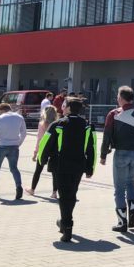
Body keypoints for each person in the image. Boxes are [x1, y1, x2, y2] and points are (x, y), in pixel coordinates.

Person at [37, 97, 96, 242]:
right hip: (78, 166)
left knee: (64, 196)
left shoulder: (58, 124)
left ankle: (67, 227)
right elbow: (92, 148)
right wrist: (90, 168)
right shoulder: (87, 125)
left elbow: (45, 144)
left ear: (69, 108)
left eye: (64, 106)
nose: (62, 108)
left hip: (60, 165)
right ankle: (64, 221)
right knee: (72, 194)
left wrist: (42, 160)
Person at [100, 86, 134, 233]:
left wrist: (103, 155)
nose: (117, 98)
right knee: (131, 183)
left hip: (121, 153)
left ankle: (122, 222)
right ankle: (132, 212)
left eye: (118, 96)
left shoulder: (114, 114)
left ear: (122, 98)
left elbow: (106, 135)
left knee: (119, 188)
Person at [0, 102, 27, 199]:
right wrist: (18, 143)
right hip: (14, 146)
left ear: (1, 110)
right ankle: (18, 186)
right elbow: (24, 133)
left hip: (1, 146)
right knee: (14, 168)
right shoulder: (19, 117)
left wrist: (1, 135)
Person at [29, 104, 58, 198]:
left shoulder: (42, 124)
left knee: (38, 170)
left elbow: (39, 139)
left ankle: (32, 189)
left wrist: (35, 153)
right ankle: (54, 192)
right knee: (55, 172)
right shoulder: (58, 123)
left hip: (43, 149)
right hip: (54, 149)